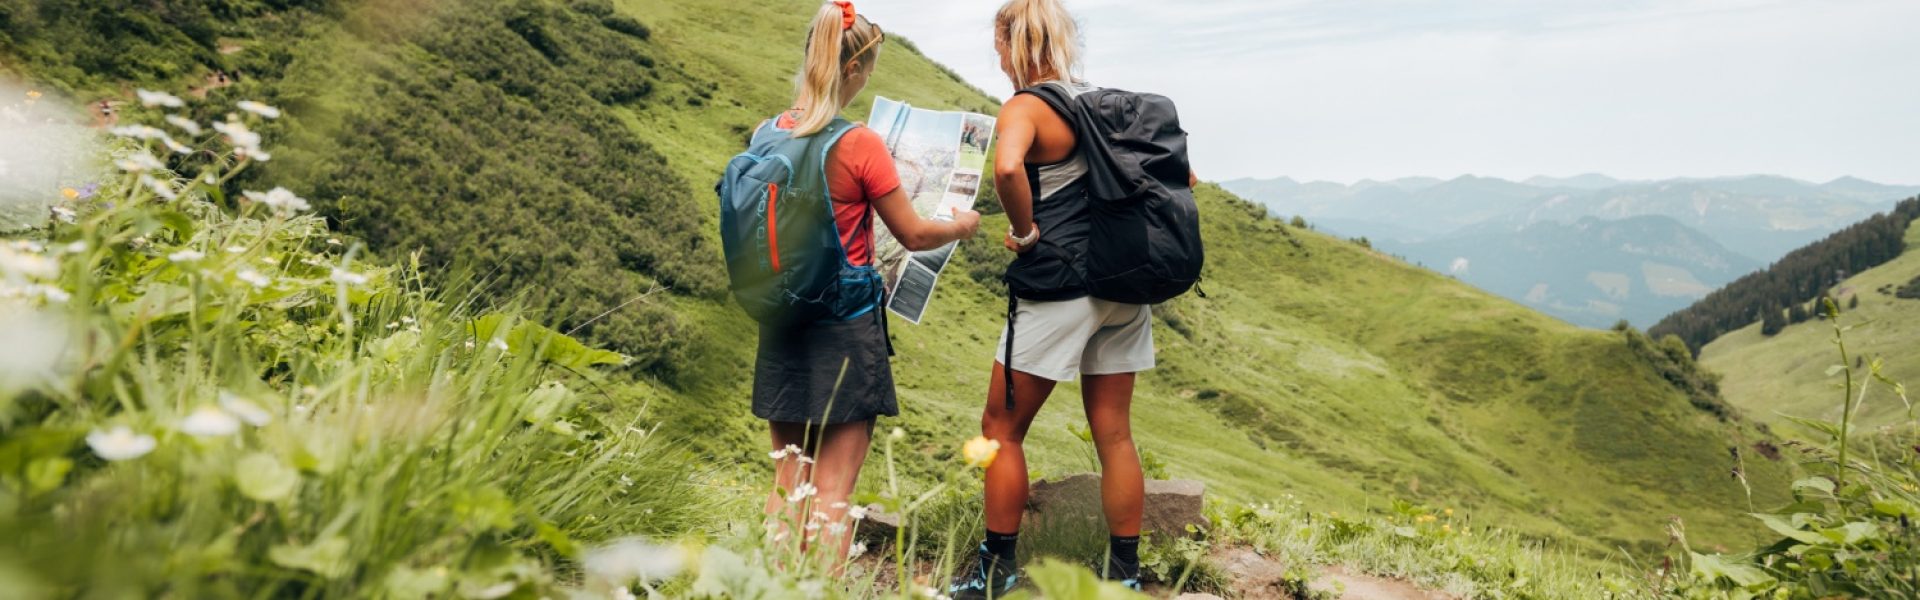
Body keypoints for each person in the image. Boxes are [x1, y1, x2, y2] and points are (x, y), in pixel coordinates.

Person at [951, 0, 1196, 596]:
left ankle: (996, 571)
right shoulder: (1106, 105)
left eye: (1000, 45)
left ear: (1014, 44)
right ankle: (1126, 577)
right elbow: (1184, 179)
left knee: (1000, 429)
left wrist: (1027, 233)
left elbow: (1008, 168)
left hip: (1061, 288)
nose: (999, 58)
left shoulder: (1027, 105)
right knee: (1114, 434)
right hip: (1123, 288)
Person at [746, 0, 982, 568]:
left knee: (788, 483)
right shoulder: (859, 145)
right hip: (846, 331)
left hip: (781, 322)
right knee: (832, 493)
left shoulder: (764, 134)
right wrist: (962, 223)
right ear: (854, 71)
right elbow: (915, 234)